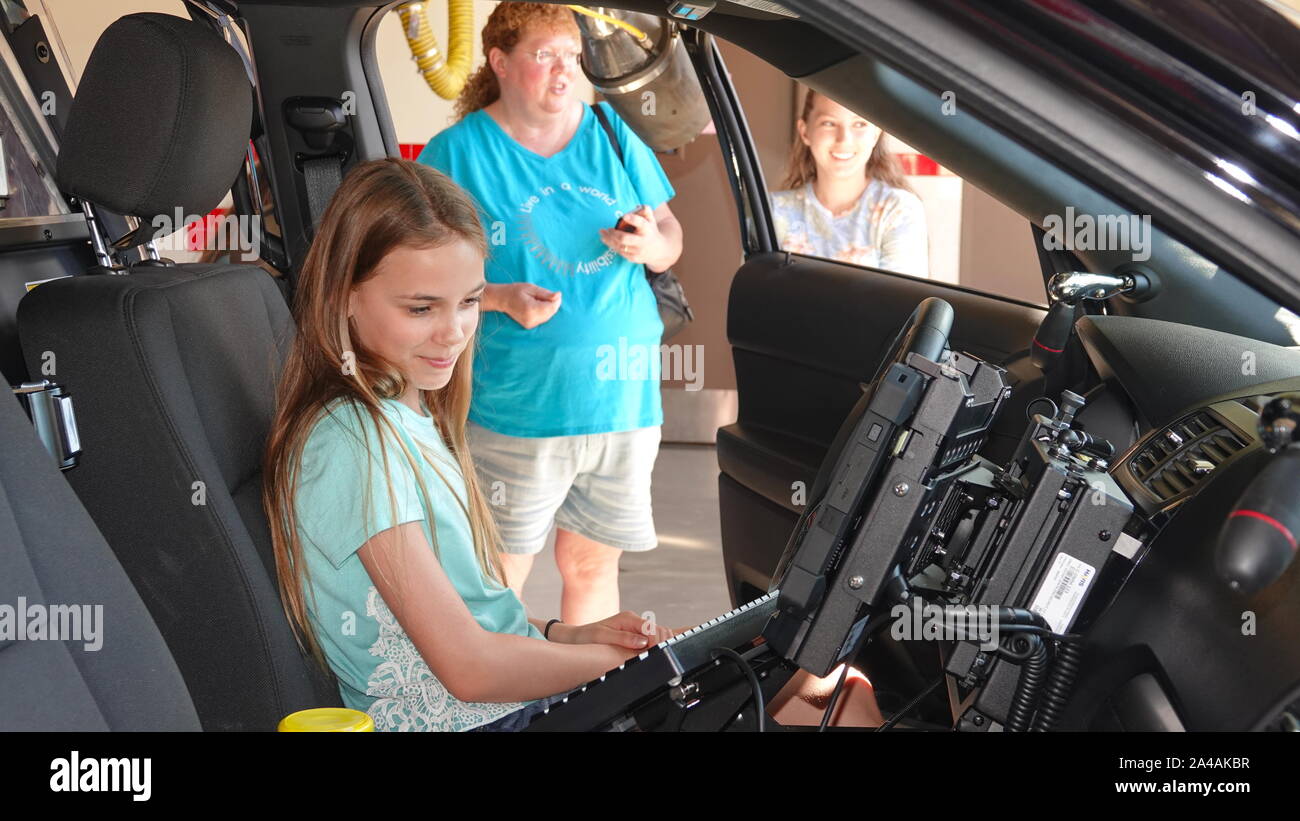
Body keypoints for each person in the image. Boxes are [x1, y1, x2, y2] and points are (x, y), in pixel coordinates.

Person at [262, 158, 674, 731]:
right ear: (344, 297)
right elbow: (469, 670)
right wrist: (628, 666)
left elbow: (471, 609)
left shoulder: (409, 412)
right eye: (421, 308)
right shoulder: (354, 443)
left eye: (470, 301)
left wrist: (567, 635)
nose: (453, 331)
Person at [417, 3, 683, 625]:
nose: (564, 72)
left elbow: (670, 234)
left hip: (623, 403)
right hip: (517, 406)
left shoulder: (613, 129)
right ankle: (495, 711)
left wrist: (652, 245)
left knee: (592, 567)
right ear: (501, 62)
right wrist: (501, 298)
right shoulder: (454, 153)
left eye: (573, 56)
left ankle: (589, 708)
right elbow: (418, 275)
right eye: (544, 56)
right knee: (498, 576)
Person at [771, 89, 929, 277]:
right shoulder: (773, 211)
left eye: (859, 124)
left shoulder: (898, 210)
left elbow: (905, 301)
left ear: (876, 133)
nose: (844, 139)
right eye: (828, 123)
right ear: (805, 131)